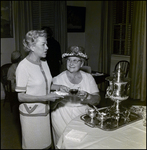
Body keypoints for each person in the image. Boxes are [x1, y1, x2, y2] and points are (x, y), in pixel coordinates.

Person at [15, 30, 64, 149]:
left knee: (46, 145)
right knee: (34, 146)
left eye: (46, 44)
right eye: (43, 44)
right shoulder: (23, 66)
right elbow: (20, 96)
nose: (47, 47)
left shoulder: (44, 62)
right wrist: (45, 97)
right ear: (32, 46)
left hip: (44, 112)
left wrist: (59, 87)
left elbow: (44, 84)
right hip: (31, 116)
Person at [50, 46, 101, 147]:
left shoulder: (88, 78)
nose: (71, 63)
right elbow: (51, 106)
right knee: (66, 144)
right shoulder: (57, 79)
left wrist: (87, 96)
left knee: (83, 144)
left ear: (82, 63)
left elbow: (97, 100)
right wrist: (59, 98)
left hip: (83, 115)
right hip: (62, 116)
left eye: (75, 61)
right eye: (69, 60)